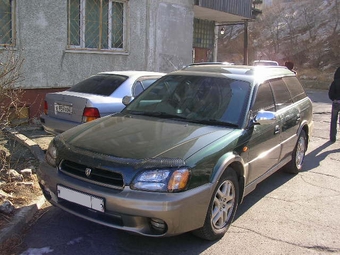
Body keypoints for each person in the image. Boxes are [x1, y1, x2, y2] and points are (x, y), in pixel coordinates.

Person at [328, 67, 340, 142]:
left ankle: (332, 137)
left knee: (333, 120)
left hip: (336, 103)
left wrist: (334, 99)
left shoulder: (335, 82)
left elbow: (330, 94)